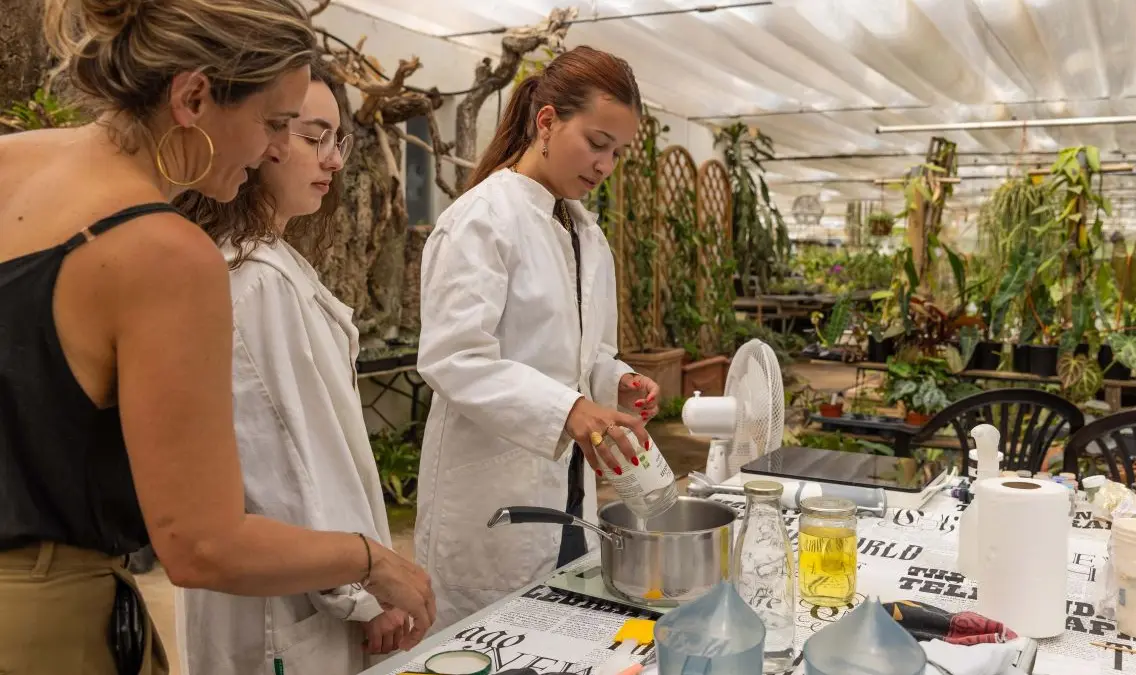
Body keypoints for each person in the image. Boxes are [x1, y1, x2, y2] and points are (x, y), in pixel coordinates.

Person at [0, 2, 434, 673]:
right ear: (193, 97)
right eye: (275, 123)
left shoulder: (12, 162)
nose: (274, 150)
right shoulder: (167, 252)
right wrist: (371, 560)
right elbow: (201, 545)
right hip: (43, 625)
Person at [172, 60, 414, 674]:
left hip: (310, 586)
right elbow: (283, 468)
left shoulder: (269, 265)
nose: (332, 160)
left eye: (338, 140)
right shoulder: (254, 284)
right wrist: (360, 592)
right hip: (286, 603)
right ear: (260, 136)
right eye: (311, 136)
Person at [416, 45, 663, 629]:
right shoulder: (482, 219)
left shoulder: (584, 232)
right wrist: (569, 409)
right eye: (597, 143)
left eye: (618, 153)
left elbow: (586, 353)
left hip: (568, 491)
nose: (605, 165)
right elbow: (454, 357)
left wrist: (617, 379)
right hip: (493, 495)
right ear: (547, 121)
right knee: (494, 642)